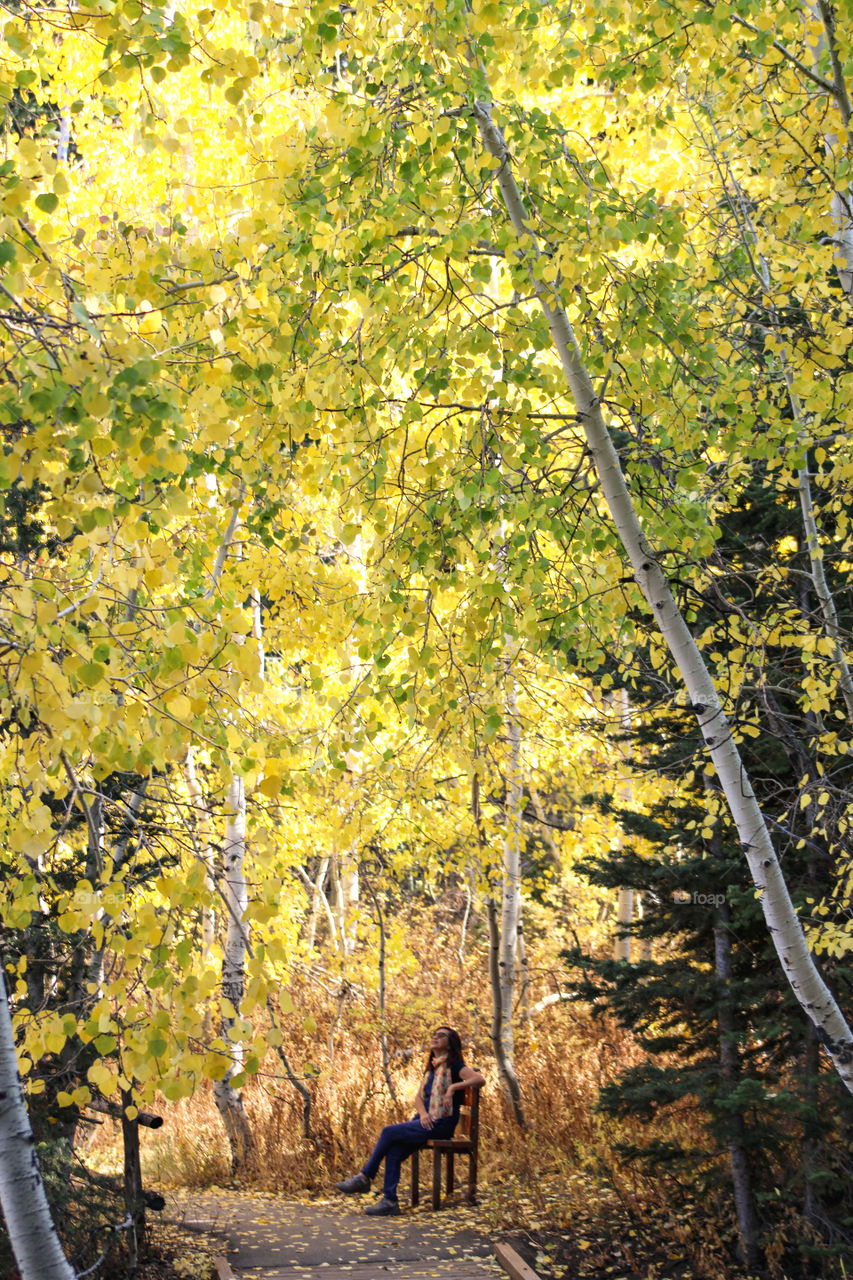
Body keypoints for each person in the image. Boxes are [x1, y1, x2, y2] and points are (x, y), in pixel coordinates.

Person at [336, 1025, 485, 1216]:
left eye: (442, 1036)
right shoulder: (432, 1068)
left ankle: (365, 1177)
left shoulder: (454, 1066)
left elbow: (479, 1079)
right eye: (434, 1035)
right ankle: (390, 1201)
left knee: (388, 1132)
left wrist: (453, 1088)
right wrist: (423, 1114)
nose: (436, 1037)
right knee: (394, 1151)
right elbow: (418, 1098)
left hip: (441, 1124)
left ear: (450, 1044)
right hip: (426, 1122)